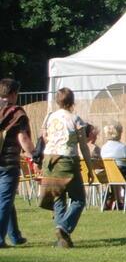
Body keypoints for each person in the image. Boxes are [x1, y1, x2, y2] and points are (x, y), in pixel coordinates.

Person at [41, 87, 95, 248]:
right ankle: (64, 227)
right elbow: (83, 146)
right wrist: (90, 168)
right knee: (79, 199)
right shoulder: (75, 119)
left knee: (58, 197)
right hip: (67, 160)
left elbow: (45, 137)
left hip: (49, 160)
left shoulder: (50, 117)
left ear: (57, 101)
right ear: (72, 101)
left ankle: (62, 240)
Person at [0, 78, 37, 248]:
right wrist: (35, 156)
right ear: (14, 94)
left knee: (7, 199)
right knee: (5, 200)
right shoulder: (17, 113)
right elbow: (23, 138)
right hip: (8, 163)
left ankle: (15, 236)